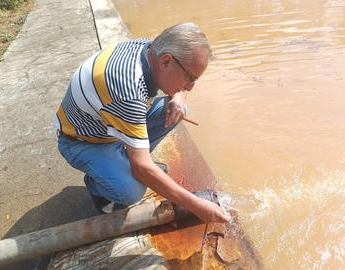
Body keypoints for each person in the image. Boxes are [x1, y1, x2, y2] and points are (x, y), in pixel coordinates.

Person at [54, 22, 230, 223]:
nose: (189, 88)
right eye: (189, 78)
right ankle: (97, 184)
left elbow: (179, 92)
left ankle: (126, 158)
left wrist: (179, 99)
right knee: (132, 191)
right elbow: (141, 168)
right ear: (165, 62)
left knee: (179, 110)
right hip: (83, 142)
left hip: (110, 124)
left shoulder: (149, 48)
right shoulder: (128, 91)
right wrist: (198, 206)